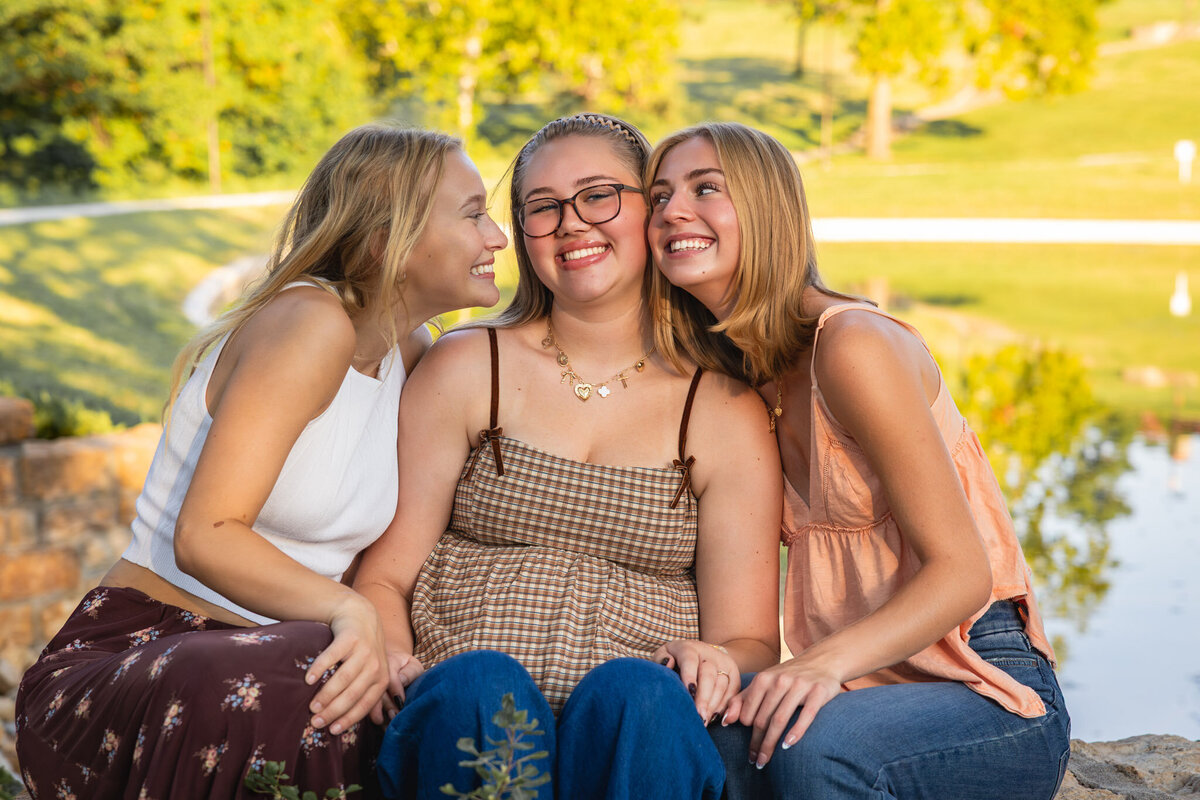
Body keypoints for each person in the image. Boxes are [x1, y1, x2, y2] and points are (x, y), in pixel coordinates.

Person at [14, 124, 508, 800]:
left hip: (278, 673)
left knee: (389, 697)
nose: (497, 237)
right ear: (386, 240)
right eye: (473, 212)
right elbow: (205, 535)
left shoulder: (412, 353)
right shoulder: (309, 323)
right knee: (316, 673)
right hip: (143, 656)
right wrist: (349, 612)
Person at [353, 113, 782, 800]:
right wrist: (395, 654)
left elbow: (752, 641)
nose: (572, 223)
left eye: (599, 195)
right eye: (542, 207)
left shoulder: (723, 408)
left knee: (637, 695)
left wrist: (718, 657)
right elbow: (384, 577)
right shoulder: (470, 365)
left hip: (633, 739)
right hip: (463, 713)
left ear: (653, 211)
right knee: (478, 685)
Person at [645, 121, 1071, 800]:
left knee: (818, 751)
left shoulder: (851, 346)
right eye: (658, 196)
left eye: (706, 188)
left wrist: (815, 666)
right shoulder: (738, 383)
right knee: (692, 731)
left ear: (767, 208)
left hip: (982, 683)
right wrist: (716, 660)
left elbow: (963, 573)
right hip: (860, 687)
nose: (673, 211)